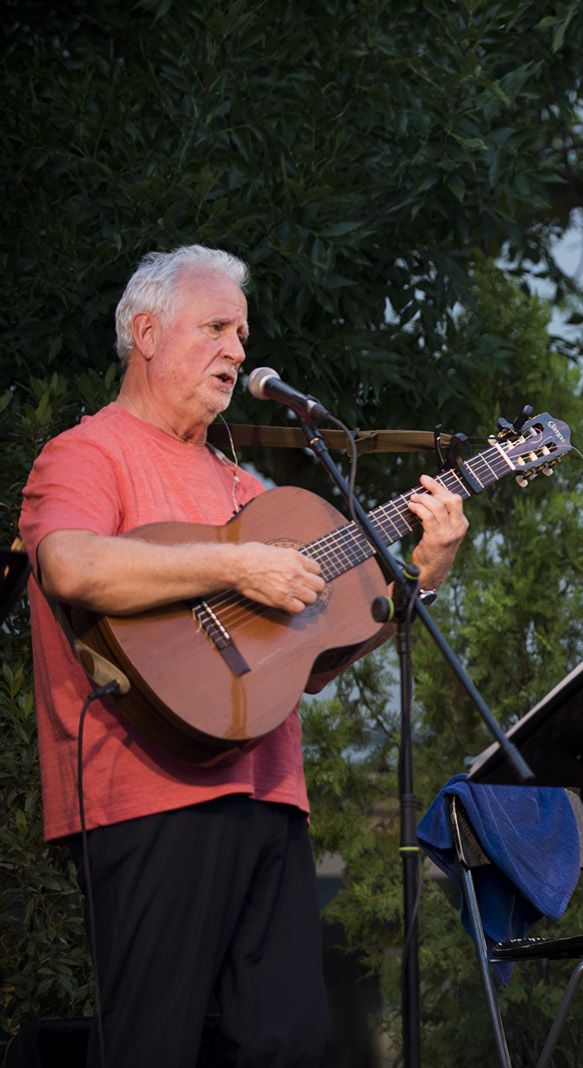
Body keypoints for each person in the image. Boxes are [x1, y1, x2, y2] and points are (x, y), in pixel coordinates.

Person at [18, 245, 468, 1066]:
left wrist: (421, 579)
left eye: (243, 331)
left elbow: (314, 658)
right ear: (147, 333)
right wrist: (233, 565)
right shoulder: (90, 452)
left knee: (284, 1042)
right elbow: (71, 565)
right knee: (154, 1045)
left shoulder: (247, 491)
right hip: (144, 792)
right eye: (217, 327)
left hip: (267, 792)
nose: (237, 349)